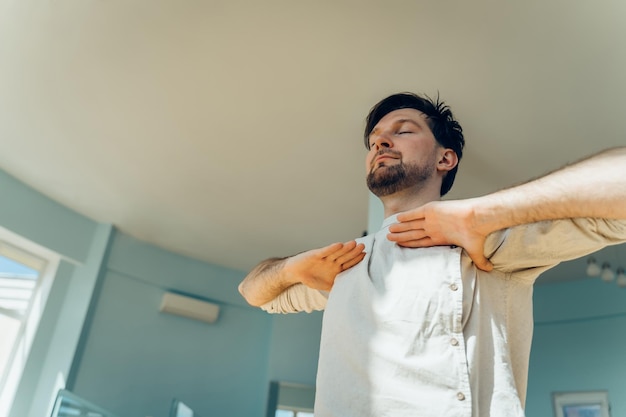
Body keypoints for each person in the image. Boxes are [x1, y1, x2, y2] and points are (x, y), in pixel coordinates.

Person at [238, 92, 626, 417]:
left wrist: (483, 214)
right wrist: (291, 268)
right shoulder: (345, 265)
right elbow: (253, 292)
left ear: (445, 159)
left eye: (402, 131)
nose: (381, 143)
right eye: (374, 140)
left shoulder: (484, 239)